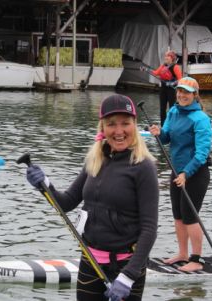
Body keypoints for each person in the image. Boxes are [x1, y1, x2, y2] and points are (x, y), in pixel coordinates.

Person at [26, 95, 159, 301]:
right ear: (102, 128)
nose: (119, 131)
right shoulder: (94, 160)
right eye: (111, 124)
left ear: (134, 124)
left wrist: (129, 275)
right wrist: (45, 184)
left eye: (125, 123)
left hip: (127, 267)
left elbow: (149, 229)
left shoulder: (144, 167)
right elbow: (67, 202)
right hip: (90, 262)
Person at [148, 77, 212, 273]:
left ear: (194, 95)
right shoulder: (174, 112)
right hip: (176, 172)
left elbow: (202, 153)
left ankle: (196, 258)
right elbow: (167, 137)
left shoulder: (201, 119)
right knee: (178, 215)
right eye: (179, 91)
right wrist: (159, 133)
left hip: (195, 174)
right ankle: (183, 254)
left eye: (186, 92)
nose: (182, 95)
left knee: (190, 217)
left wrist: (186, 173)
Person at [141, 51, 182, 126]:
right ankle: (163, 126)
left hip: (171, 89)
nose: (165, 57)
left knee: (171, 108)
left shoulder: (175, 67)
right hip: (163, 88)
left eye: (168, 56)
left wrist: (172, 83)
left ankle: (172, 125)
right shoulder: (163, 66)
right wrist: (146, 69)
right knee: (162, 109)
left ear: (172, 58)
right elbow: (155, 73)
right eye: (165, 56)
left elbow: (180, 79)